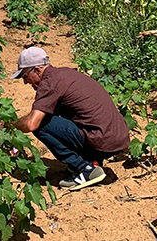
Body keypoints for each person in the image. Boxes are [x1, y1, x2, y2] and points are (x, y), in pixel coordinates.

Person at [9, 46, 130, 190]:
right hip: (117, 138)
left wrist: (12, 125)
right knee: (57, 115)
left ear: (37, 69)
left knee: (42, 125)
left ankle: (85, 169)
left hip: (102, 141)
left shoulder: (49, 83)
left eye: (24, 76)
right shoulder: (65, 73)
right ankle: (93, 161)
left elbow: (31, 124)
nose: (25, 82)